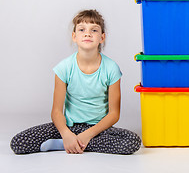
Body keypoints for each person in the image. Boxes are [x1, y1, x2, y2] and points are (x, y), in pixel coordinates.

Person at [11, 10, 141, 155]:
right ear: (74, 36)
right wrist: (66, 134)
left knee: (132, 142)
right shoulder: (64, 68)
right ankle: (72, 141)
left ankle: (72, 144)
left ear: (102, 37)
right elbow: (56, 111)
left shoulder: (111, 68)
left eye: (94, 30)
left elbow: (114, 114)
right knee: (18, 143)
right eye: (82, 29)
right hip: (69, 126)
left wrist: (88, 134)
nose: (87, 33)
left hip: (98, 129)